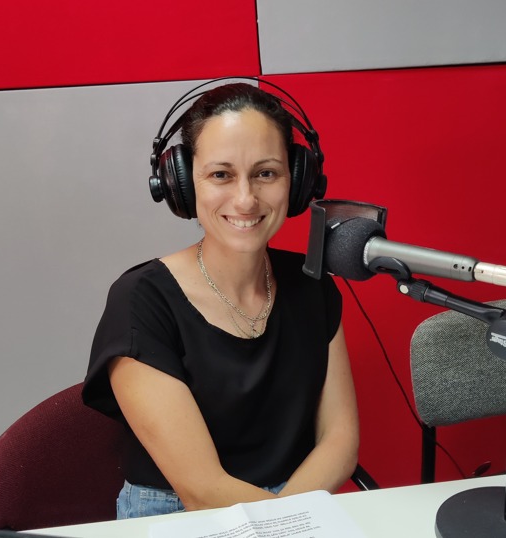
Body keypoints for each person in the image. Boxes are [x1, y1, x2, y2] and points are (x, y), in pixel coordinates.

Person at [82, 81, 359, 518]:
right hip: (177, 512)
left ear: (298, 181)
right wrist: (290, 524)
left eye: (266, 173)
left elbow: (340, 441)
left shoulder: (312, 284)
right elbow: (203, 489)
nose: (246, 199)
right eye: (221, 175)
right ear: (182, 184)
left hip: (297, 500)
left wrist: (290, 519)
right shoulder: (141, 301)